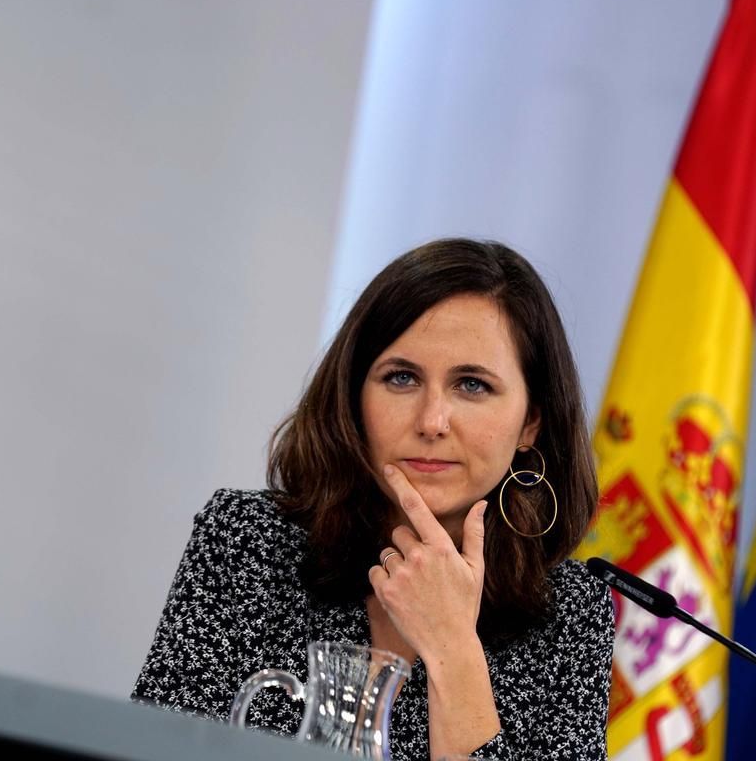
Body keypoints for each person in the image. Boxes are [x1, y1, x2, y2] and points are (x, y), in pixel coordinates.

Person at [133, 239, 614, 760]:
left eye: (472, 385)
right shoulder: (245, 540)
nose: (432, 422)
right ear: (354, 396)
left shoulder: (569, 616)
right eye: (401, 378)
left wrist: (454, 649)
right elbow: (149, 748)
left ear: (531, 422)